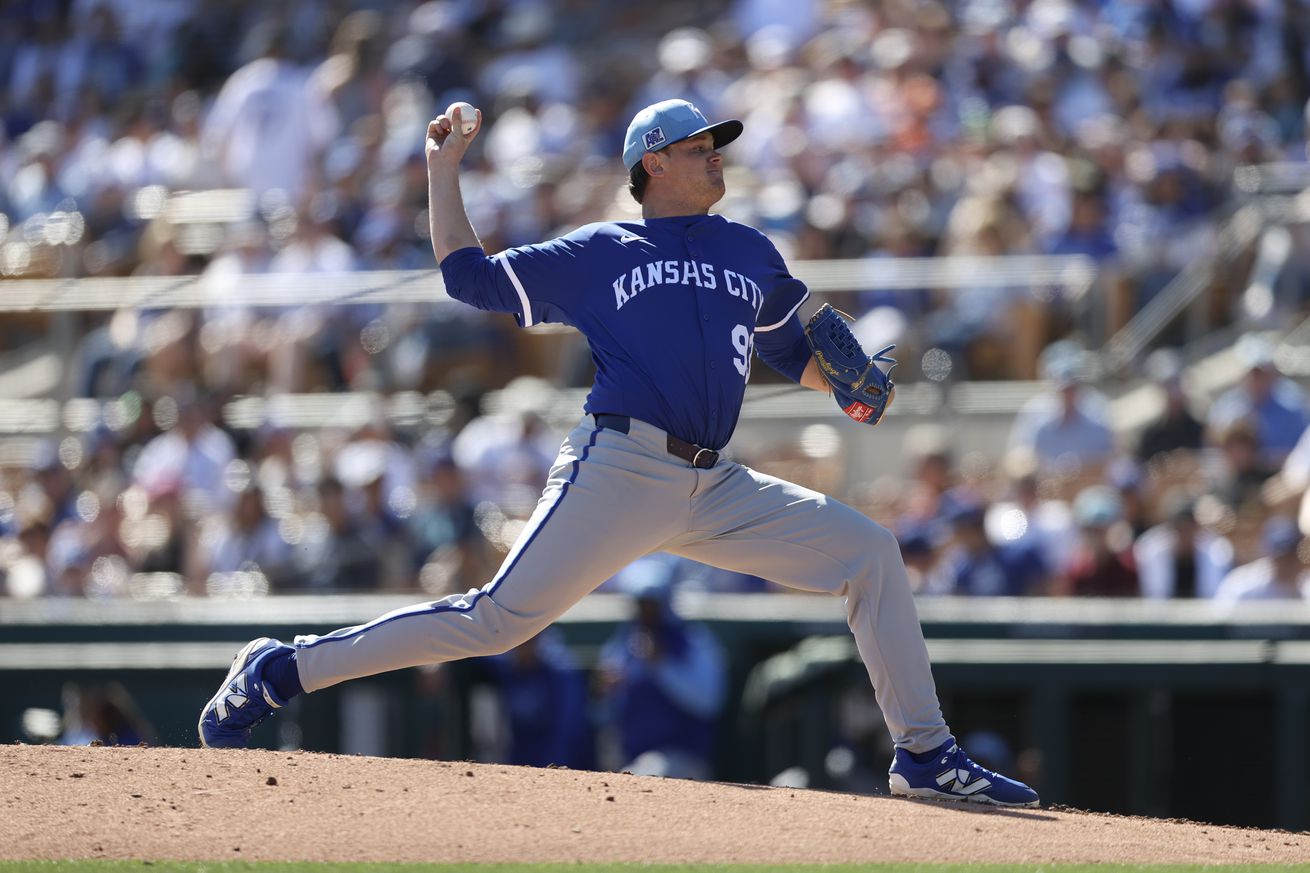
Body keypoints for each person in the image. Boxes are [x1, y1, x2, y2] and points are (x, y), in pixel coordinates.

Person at [197, 98, 1038, 807]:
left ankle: (924, 754)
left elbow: (798, 354)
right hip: (620, 466)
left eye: (715, 147)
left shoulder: (749, 250)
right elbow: (468, 276)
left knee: (870, 551)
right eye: (699, 147)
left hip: (716, 482)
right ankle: (279, 669)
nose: (715, 158)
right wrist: (442, 170)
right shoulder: (602, 251)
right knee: (495, 622)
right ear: (652, 164)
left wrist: (846, 385)